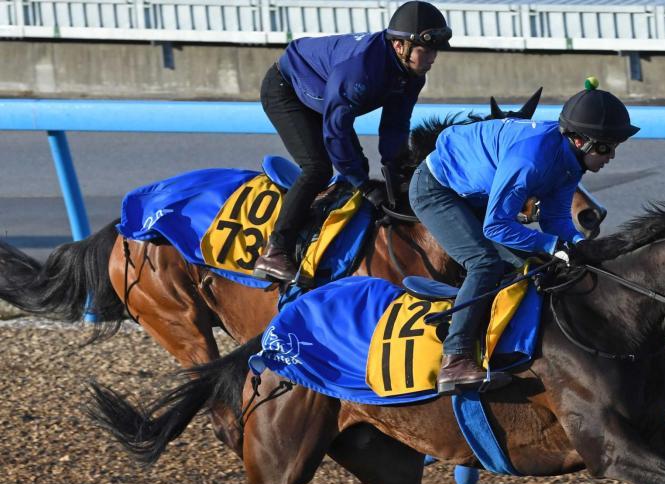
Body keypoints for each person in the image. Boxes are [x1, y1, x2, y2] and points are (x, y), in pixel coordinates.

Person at [408, 80, 639, 394]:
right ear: (579, 140)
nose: (611, 155)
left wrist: (584, 247)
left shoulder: (569, 163)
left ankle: (504, 348)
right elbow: (495, 227)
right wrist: (554, 245)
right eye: (605, 147)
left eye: (614, 147)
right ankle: (456, 359)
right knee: (484, 263)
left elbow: (555, 220)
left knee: (533, 264)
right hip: (436, 190)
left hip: (475, 193)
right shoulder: (532, 160)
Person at [253, 1, 452, 283]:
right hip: (287, 91)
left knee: (358, 171)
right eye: (426, 50)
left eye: (434, 51)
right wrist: (363, 182)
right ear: (399, 46)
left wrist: (395, 172)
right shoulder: (361, 72)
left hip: (325, 92)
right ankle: (275, 250)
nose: (432, 58)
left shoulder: (411, 74)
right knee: (317, 168)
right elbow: (337, 132)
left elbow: (395, 126)